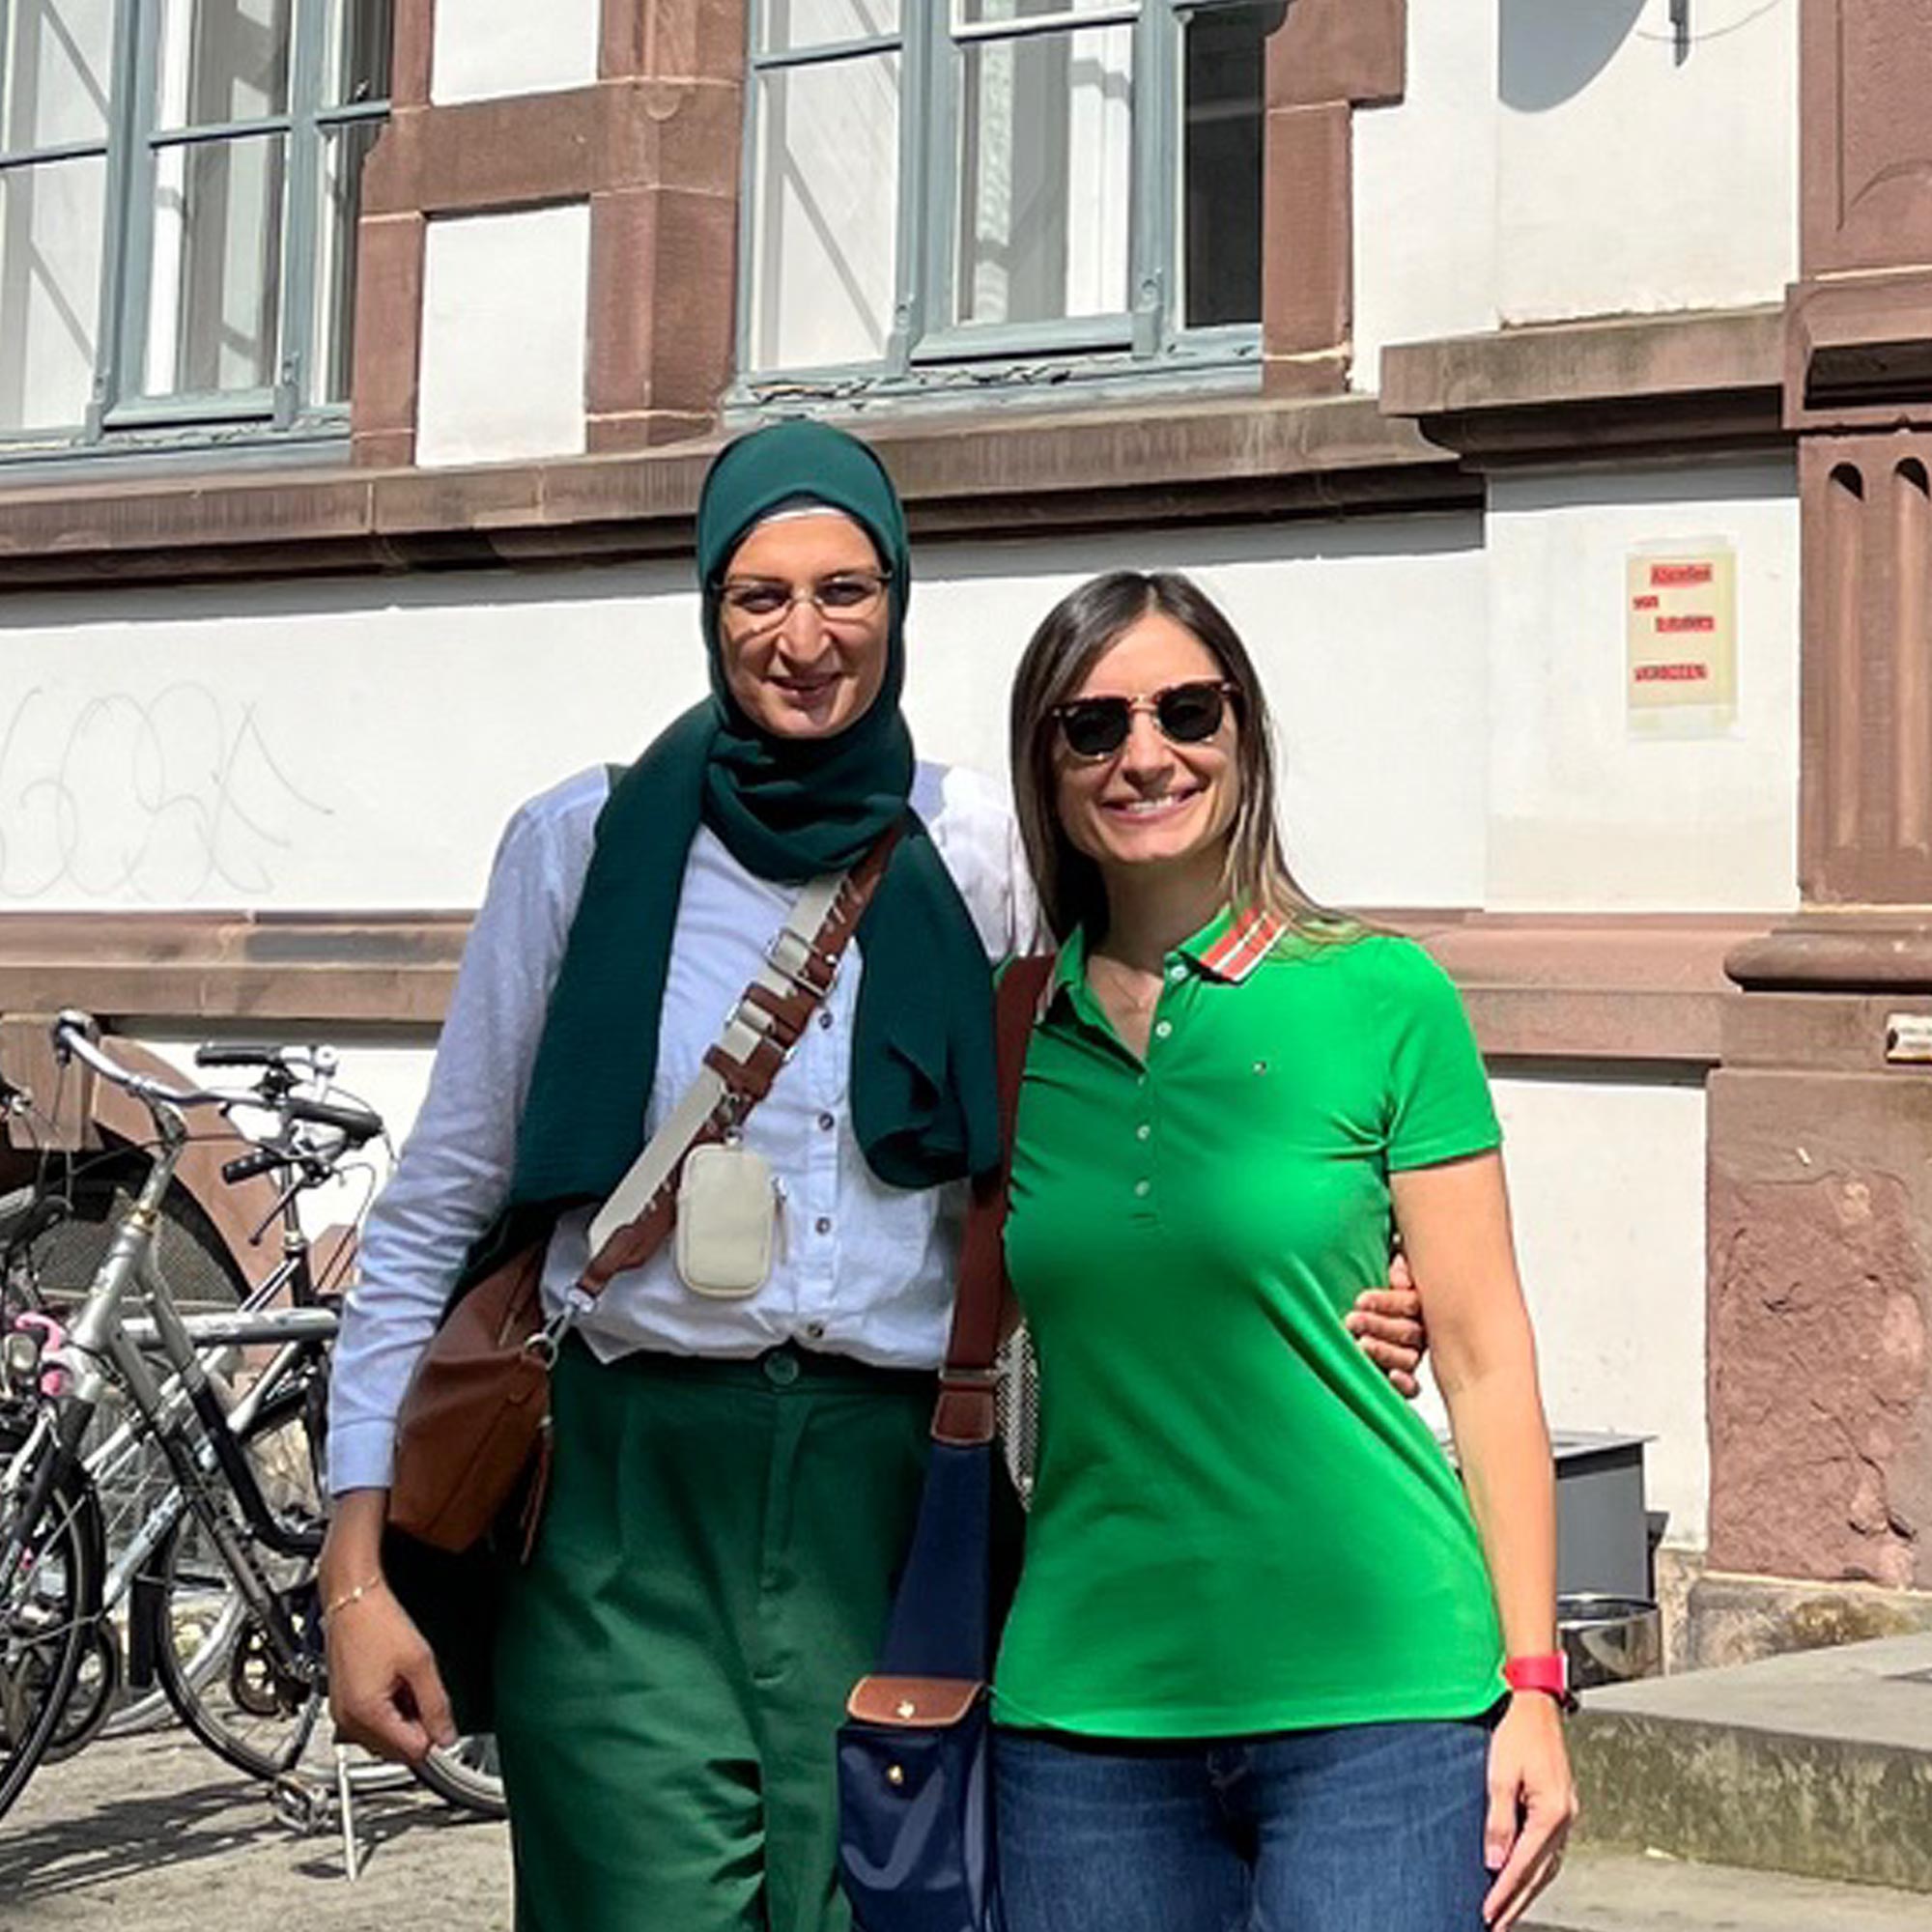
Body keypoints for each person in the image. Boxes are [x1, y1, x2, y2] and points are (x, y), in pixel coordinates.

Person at [317, 425, 1433, 1932]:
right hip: (628, 1507)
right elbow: (438, 1207)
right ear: (708, 611)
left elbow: (1144, 1098)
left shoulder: (979, 847)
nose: (803, 637)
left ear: (897, 600)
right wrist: (355, 1566)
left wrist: (1354, 1264)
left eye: (844, 589)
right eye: (756, 596)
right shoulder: (576, 846)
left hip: (897, 1498)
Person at [991, 570, 1577, 1932]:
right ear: (1051, 766)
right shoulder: (1012, 1027)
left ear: (1242, 734)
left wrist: (1538, 1686)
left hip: (1384, 1702)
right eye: (1093, 727)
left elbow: (1488, 1366)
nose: (1146, 755)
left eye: (1186, 711)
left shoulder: (1382, 996)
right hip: (1086, 1713)